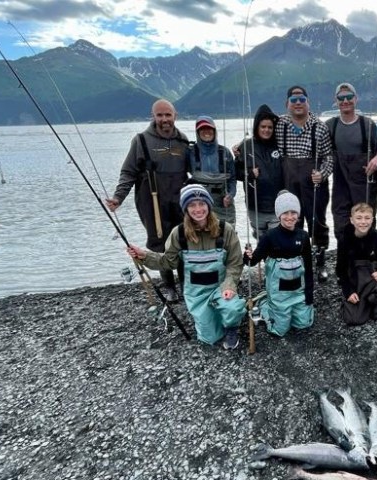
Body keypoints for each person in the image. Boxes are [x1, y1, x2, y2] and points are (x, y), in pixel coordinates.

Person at [126, 184, 246, 349]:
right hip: (196, 292)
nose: (198, 209)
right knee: (209, 338)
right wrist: (144, 256)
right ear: (186, 209)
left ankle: (232, 327)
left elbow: (235, 262)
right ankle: (212, 319)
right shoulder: (178, 233)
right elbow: (168, 262)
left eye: (202, 204)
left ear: (209, 205)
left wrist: (230, 285)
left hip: (220, 286)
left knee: (233, 308)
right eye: (192, 205)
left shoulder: (225, 230)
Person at [106, 99, 190, 301]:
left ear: (175, 116)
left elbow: (196, 170)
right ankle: (170, 287)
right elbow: (128, 173)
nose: (164, 119)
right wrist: (118, 197)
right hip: (152, 203)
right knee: (160, 245)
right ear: (153, 116)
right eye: (159, 115)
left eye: (168, 115)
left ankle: (186, 285)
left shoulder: (183, 141)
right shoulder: (141, 141)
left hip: (178, 202)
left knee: (183, 242)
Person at [274, 85, 334, 282]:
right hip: (289, 182)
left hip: (314, 184)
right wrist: (241, 147)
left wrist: (323, 174)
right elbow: (261, 137)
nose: (298, 103)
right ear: (287, 104)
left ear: (308, 103)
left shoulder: (320, 127)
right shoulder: (279, 124)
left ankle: (320, 261)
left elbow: (329, 157)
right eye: (293, 100)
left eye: (302, 100)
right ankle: (296, 258)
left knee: (317, 221)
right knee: (292, 221)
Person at [243, 190, 315, 337]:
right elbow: (252, 262)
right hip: (278, 293)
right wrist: (247, 256)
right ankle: (264, 304)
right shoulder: (269, 236)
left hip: (298, 291)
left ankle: (295, 308)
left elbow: (308, 267)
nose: (290, 217)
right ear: (278, 215)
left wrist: (309, 295)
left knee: (304, 324)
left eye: (293, 212)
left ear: (298, 214)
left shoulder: (303, 236)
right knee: (279, 330)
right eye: (285, 213)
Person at [326, 82, 377, 242]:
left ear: (356, 99)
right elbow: (320, 152)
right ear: (336, 100)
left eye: (349, 97)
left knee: (365, 223)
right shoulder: (330, 125)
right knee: (341, 224)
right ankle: (345, 260)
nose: (345, 101)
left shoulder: (368, 124)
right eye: (341, 98)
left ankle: (368, 260)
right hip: (340, 185)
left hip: (364, 183)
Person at [336, 202, 377, 325]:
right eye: (359, 218)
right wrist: (348, 291)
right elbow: (340, 269)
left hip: (373, 281)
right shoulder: (344, 240)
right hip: (355, 282)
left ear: (372, 219)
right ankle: (361, 303)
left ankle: (376, 303)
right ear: (352, 220)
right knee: (353, 320)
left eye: (367, 218)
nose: (363, 222)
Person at [234, 104, 283, 240]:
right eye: (263, 127)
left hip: (277, 206)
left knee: (277, 240)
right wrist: (248, 174)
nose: (266, 130)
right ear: (257, 127)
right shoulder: (245, 146)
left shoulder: (281, 144)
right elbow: (236, 173)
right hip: (255, 206)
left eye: (269, 127)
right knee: (261, 241)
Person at [188, 115, 237, 226]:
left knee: (227, 234)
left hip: (222, 202)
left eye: (209, 128)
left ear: (214, 131)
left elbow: (232, 178)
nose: (206, 132)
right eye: (202, 129)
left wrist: (231, 195)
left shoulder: (225, 152)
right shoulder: (190, 152)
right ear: (197, 132)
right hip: (199, 202)